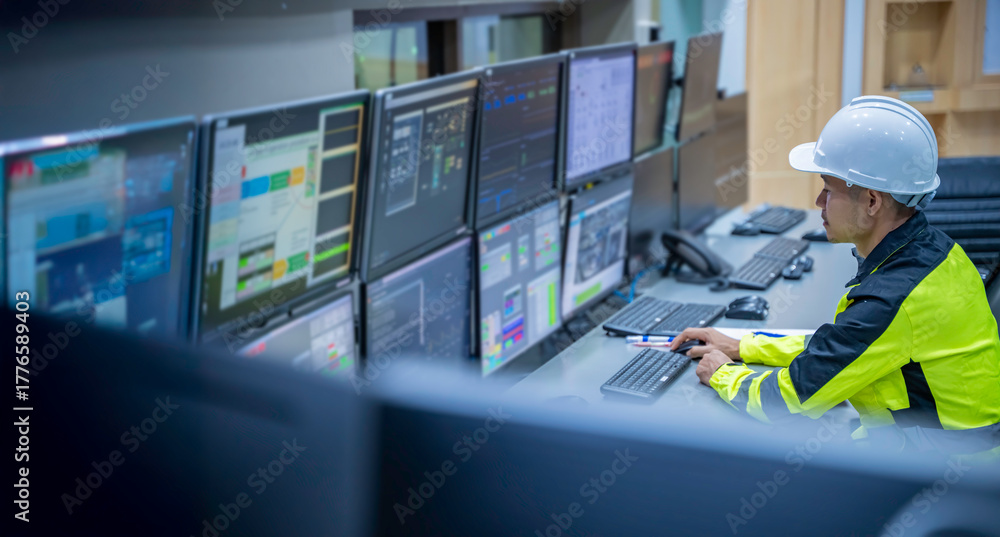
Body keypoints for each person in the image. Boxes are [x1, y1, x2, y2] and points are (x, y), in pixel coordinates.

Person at [671, 96, 1000, 456]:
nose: (818, 202)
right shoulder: (938, 252)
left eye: (828, 189)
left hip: (939, 476)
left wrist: (722, 372)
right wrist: (742, 345)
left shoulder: (892, 299)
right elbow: (840, 348)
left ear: (872, 202)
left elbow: (786, 400)